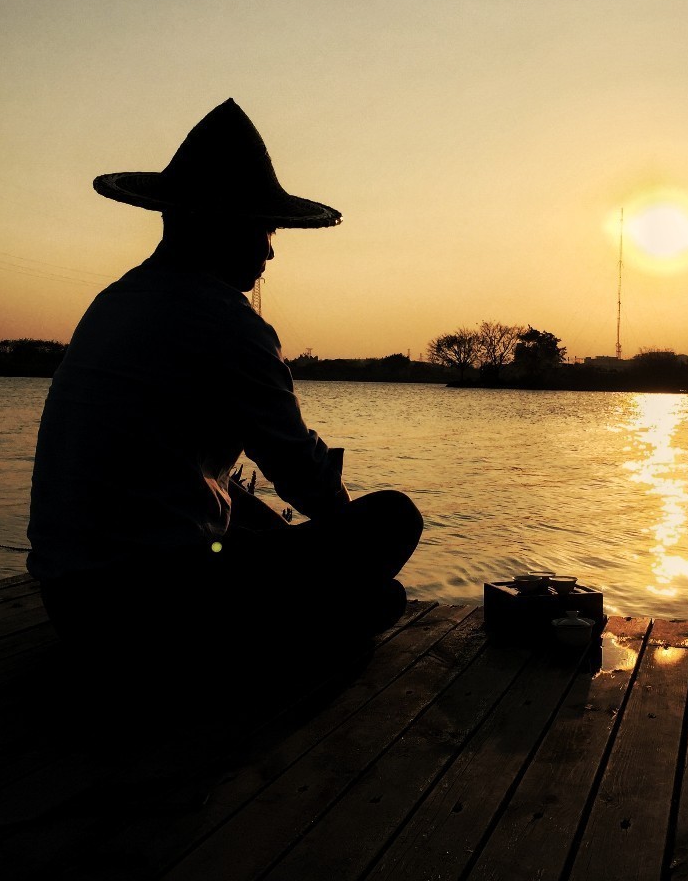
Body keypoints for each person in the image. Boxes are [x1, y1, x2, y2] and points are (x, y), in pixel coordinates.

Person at [26, 99, 422, 684]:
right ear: (221, 225)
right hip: (151, 605)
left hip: (72, 603)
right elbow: (303, 477)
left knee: (252, 517)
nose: (269, 250)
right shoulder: (226, 321)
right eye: (262, 230)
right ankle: (291, 634)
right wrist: (342, 548)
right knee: (393, 519)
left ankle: (317, 616)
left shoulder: (114, 302)